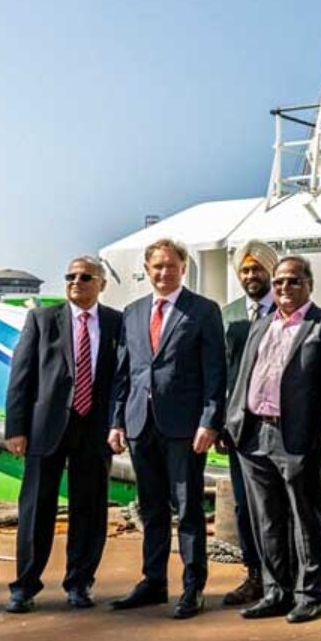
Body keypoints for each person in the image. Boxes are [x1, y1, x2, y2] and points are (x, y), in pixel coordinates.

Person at [109, 237, 227, 620]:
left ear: (183, 268)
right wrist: (117, 421)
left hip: (183, 427)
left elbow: (215, 372)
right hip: (141, 424)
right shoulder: (133, 312)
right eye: (157, 266)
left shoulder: (203, 311)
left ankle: (193, 586)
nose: (164, 272)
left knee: (188, 509)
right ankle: (153, 581)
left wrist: (210, 421)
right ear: (147, 270)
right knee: (152, 507)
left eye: (171, 266)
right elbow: (125, 372)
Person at [224, 255, 321, 623]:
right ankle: (276, 590)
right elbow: (244, 373)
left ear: (309, 283)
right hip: (254, 434)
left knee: (305, 517)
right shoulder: (261, 325)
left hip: (298, 437)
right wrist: (234, 424)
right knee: (267, 518)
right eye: (278, 283)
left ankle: (309, 594)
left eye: (293, 281)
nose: (284, 288)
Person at [3, 256, 124, 614]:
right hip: (46, 428)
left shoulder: (116, 323)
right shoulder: (42, 320)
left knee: (89, 510)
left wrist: (119, 424)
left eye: (85, 277)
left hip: (95, 429)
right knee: (36, 509)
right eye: (70, 276)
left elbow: (123, 378)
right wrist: (16, 428)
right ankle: (24, 586)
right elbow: (21, 377)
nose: (76, 282)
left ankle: (80, 582)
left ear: (101, 283)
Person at [219, 239, 277, 608]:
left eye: (258, 269)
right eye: (245, 270)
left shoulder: (288, 311)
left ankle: (287, 577)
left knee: (281, 505)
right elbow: (220, 372)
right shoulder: (229, 316)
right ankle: (254, 575)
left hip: (280, 426)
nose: (251, 276)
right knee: (245, 505)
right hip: (241, 428)